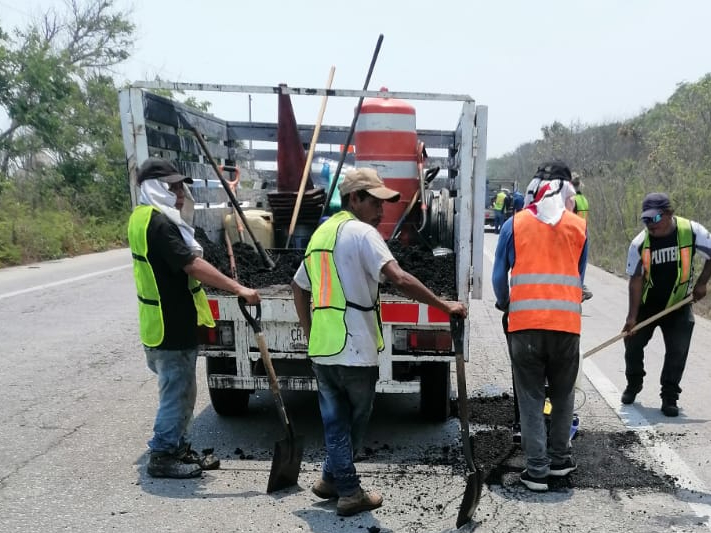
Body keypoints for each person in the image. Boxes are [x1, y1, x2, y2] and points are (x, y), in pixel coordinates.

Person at [291, 168, 467, 516]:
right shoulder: (362, 233)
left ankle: (330, 478)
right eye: (375, 202)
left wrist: (310, 330)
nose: (381, 211)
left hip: (324, 347)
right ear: (354, 198)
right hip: (354, 347)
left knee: (335, 419)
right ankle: (349, 491)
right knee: (350, 422)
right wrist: (444, 305)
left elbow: (298, 286)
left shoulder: (320, 234)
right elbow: (399, 278)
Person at [127, 158, 261, 479]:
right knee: (178, 393)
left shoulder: (142, 217)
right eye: (171, 187)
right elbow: (191, 264)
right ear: (154, 188)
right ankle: (162, 455)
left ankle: (178, 447)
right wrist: (237, 287)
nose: (179, 193)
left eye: (179, 186)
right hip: (168, 325)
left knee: (181, 391)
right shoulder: (158, 224)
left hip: (163, 322)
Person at [493, 160, 589, 492]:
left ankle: (536, 470)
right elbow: (579, 277)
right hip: (566, 326)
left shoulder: (513, 225)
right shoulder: (579, 227)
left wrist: (507, 303)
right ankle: (560, 460)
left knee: (531, 396)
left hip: (525, 327)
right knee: (563, 395)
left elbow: (497, 279)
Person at [620, 192, 711, 417]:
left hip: (679, 304)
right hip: (648, 304)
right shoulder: (639, 244)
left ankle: (669, 396)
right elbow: (636, 280)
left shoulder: (692, 231)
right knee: (632, 346)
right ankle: (634, 383)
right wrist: (631, 318)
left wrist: (702, 283)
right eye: (646, 220)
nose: (650, 225)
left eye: (655, 219)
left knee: (677, 351)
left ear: (669, 214)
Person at [571, 176, 593, 301]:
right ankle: (580, 288)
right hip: (584, 232)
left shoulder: (572, 199)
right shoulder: (584, 199)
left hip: (574, 234)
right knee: (581, 266)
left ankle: (576, 291)